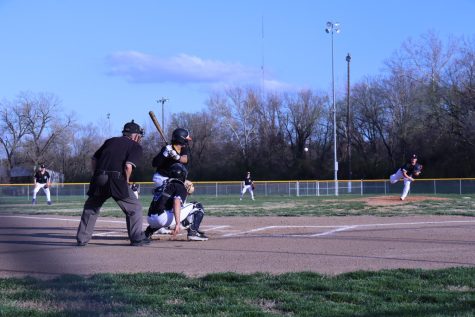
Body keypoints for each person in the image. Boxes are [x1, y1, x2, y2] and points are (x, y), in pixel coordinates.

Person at [76, 120, 150, 247]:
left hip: (99, 177)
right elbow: (128, 166)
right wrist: (126, 182)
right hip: (116, 179)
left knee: (91, 208)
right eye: (139, 136)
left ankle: (82, 239)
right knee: (135, 208)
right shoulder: (135, 146)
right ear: (136, 135)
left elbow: (94, 159)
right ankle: (136, 238)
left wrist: (96, 175)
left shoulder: (110, 141)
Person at [145, 163, 208, 241]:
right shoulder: (180, 186)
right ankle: (193, 232)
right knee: (197, 206)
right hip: (162, 219)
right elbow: (176, 202)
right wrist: (178, 224)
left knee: (163, 210)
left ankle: (147, 232)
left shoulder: (163, 185)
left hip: (150, 219)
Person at [151, 128, 192, 234]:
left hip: (174, 178)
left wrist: (176, 156)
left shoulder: (184, 149)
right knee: (165, 198)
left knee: (186, 190)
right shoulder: (167, 148)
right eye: (186, 138)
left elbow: (185, 160)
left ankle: (180, 220)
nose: (187, 141)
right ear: (181, 139)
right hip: (162, 177)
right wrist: (164, 154)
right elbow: (155, 163)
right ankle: (159, 223)